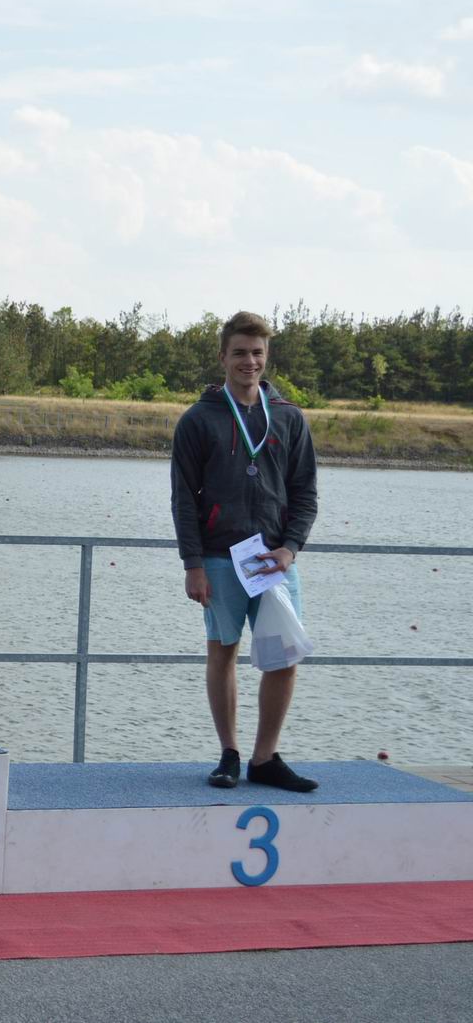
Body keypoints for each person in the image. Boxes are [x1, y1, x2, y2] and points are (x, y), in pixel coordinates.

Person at [171, 310, 319, 791]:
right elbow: (182, 499)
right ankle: (229, 754)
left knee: (284, 658)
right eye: (239, 353)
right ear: (223, 357)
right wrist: (193, 565)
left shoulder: (289, 417)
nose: (249, 362)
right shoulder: (198, 420)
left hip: (273, 561)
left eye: (257, 353)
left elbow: (305, 494)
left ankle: (265, 758)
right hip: (219, 557)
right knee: (223, 652)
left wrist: (290, 549)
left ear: (266, 356)